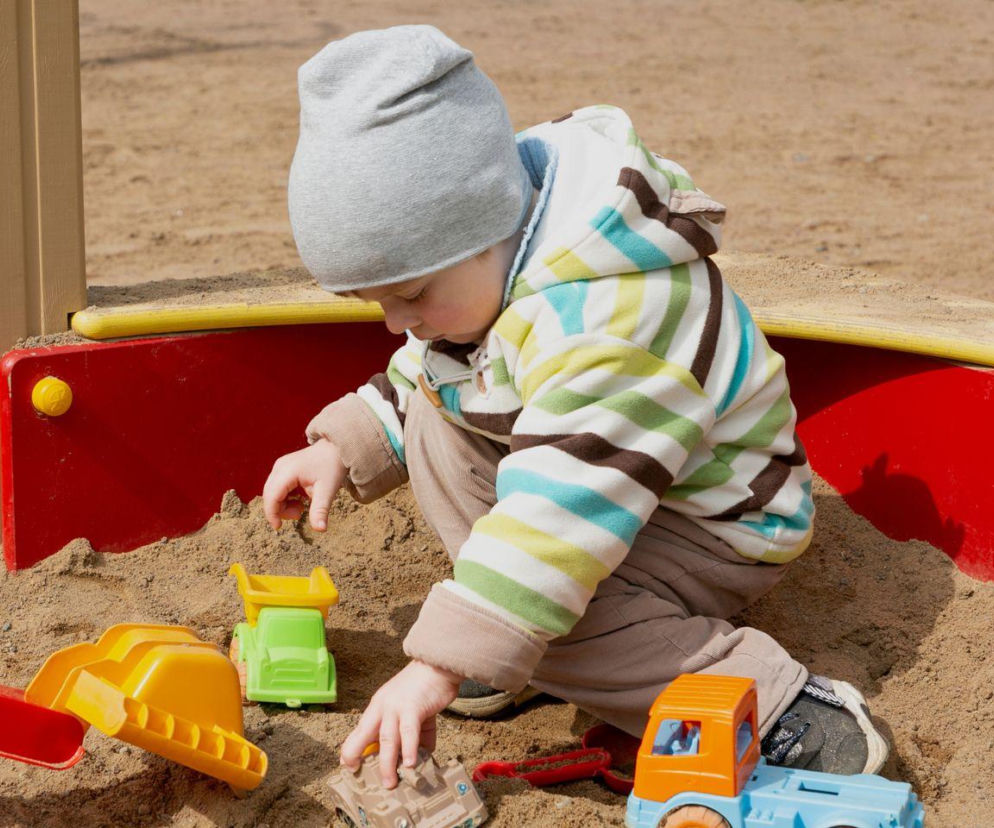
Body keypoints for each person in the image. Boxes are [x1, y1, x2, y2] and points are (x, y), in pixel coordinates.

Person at [263, 24, 889, 788]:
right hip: (615, 479)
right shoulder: (503, 255)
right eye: (376, 302)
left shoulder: (605, 317)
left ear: (487, 221)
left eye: (413, 293)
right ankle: (509, 639)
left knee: (551, 615)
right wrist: (342, 445)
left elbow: (562, 515)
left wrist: (440, 664)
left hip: (710, 524)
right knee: (433, 419)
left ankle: (774, 701)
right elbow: (443, 370)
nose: (398, 322)